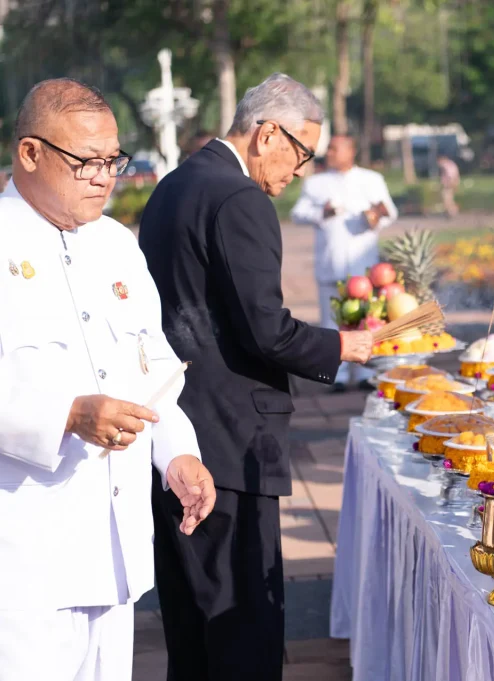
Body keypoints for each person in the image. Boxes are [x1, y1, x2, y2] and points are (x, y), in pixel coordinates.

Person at [138, 74, 374, 681]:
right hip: (232, 435)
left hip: (178, 430)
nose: (302, 169)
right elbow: (264, 328)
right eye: (301, 152)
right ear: (268, 133)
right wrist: (341, 345)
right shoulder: (240, 198)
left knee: (192, 623)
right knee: (242, 624)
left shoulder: (174, 184)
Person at [0, 78, 215, 680]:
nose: (103, 175)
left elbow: (152, 371)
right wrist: (65, 415)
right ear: (31, 153)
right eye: (85, 161)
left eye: (111, 159)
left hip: (112, 546)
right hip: (23, 556)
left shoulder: (116, 245)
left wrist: (178, 455)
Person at [290, 134, 397, 392]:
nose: (330, 153)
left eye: (336, 148)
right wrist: (321, 212)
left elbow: (390, 212)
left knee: (365, 320)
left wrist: (376, 215)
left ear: (351, 151)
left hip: (364, 264)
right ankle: (336, 376)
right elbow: (297, 213)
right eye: (330, 149)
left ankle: (363, 373)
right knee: (331, 322)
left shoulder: (371, 179)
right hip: (331, 262)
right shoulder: (317, 183)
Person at [438, 153, 460, 217]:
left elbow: (450, 176)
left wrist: (450, 183)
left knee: (447, 199)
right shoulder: (451, 164)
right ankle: (451, 212)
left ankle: (452, 212)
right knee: (449, 199)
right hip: (451, 184)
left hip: (449, 184)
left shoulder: (446, 165)